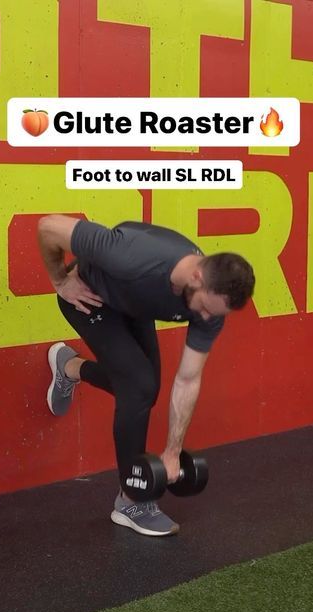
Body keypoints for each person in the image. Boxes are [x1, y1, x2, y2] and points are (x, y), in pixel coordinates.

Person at [38, 215, 255, 537]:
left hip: (134, 304)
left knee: (144, 390)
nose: (207, 318)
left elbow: (188, 378)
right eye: (205, 308)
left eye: (215, 313)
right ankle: (131, 500)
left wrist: (172, 450)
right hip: (90, 299)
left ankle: (70, 368)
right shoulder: (131, 255)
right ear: (197, 275)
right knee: (138, 386)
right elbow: (48, 226)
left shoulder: (211, 303)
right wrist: (60, 280)